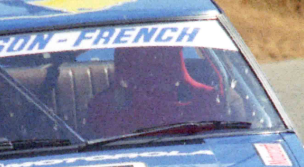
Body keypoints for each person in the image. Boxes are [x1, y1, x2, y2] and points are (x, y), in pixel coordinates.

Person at [84, 46, 222, 137]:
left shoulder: (208, 99)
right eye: (151, 60)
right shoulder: (106, 108)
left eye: (167, 56)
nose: (161, 66)